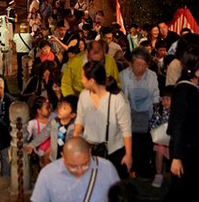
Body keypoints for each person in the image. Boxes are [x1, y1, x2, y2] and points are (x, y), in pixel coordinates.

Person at [165, 45, 199, 202]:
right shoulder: (184, 89)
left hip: (196, 148)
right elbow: (178, 123)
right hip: (185, 149)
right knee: (180, 192)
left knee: (193, 190)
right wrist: (177, 157)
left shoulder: (197, 83)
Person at [73, 61, 132, 180]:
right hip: (89, 150)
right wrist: (74, 140)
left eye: (83, 78)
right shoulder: (84, 95)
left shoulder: (117, 99)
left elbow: (126, 129)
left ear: (91, 81)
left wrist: (128, 155)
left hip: (113, 151)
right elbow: (80, 119)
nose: (81, 81)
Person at [30, 136, 121, 202]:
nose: (80, 171)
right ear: (63, 156)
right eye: (73, 166)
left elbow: (120, 197)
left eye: (85, 164)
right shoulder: (48, 174)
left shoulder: (107, 168)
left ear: (89, 152)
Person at [120, 49, 160, 178]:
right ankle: (131, 168)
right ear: (131, 64)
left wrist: (154, 110)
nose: (141, 68)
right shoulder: (123, 76)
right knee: (132, 142)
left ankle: (143, 169)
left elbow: (155, 95)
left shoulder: (152, 76)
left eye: (144, 65)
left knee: (145, 143)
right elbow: (121, 96)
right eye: (138, 64)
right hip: (129, 114)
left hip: (146, 114)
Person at [25, 95, 78, 163]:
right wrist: (31, 145)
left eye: (64, 108)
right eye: (60, 106)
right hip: (54, 159)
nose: (60, 109)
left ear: (72, 115)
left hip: (69, 160)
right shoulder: (54, 122)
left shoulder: (75, 127)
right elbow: (43, 134)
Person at [149, 85, 172, 188]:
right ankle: (158, 175)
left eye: (168, 99)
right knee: (159, 150)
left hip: (174, 140)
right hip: (162, 139)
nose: (165, 102)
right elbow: (153, 122)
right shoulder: (160, 110)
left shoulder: (178, 111)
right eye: (163, 99)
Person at [14, 22, 34, 91]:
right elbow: (33, 41)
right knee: (29, 69)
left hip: (19, 54)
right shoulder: (29, 36)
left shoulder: (16, 36)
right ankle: (28, 84)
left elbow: (14, 42)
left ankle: (19, 84)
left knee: (20, 69)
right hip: (28, 54)